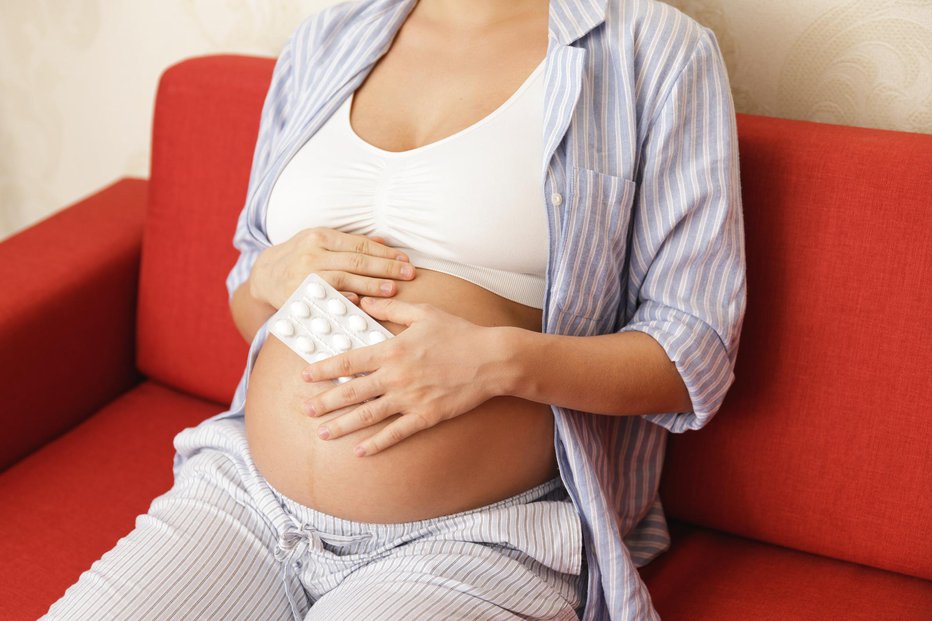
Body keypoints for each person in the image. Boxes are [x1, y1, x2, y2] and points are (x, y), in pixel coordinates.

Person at [42, 0, 745, 619]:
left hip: (474, 536)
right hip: (246, 494)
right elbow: (250, 296)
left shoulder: (653, 51)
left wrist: (497, 362)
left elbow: (694, 356)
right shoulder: (328, 38)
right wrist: (264, 276)